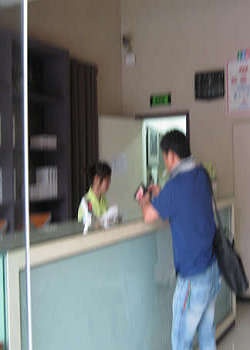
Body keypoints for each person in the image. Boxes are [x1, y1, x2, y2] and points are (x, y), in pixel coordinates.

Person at [138, 130, 220, 350]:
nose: (165, 163)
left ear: (172, 155)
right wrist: (161, 193)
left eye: (165, 157)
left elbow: (149, 217)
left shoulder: (176, 185)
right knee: (206, 335)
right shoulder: (201, 174)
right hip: (212, 269)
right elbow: (186, 205)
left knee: (180, 341)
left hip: (193, 277)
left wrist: (145, 200)